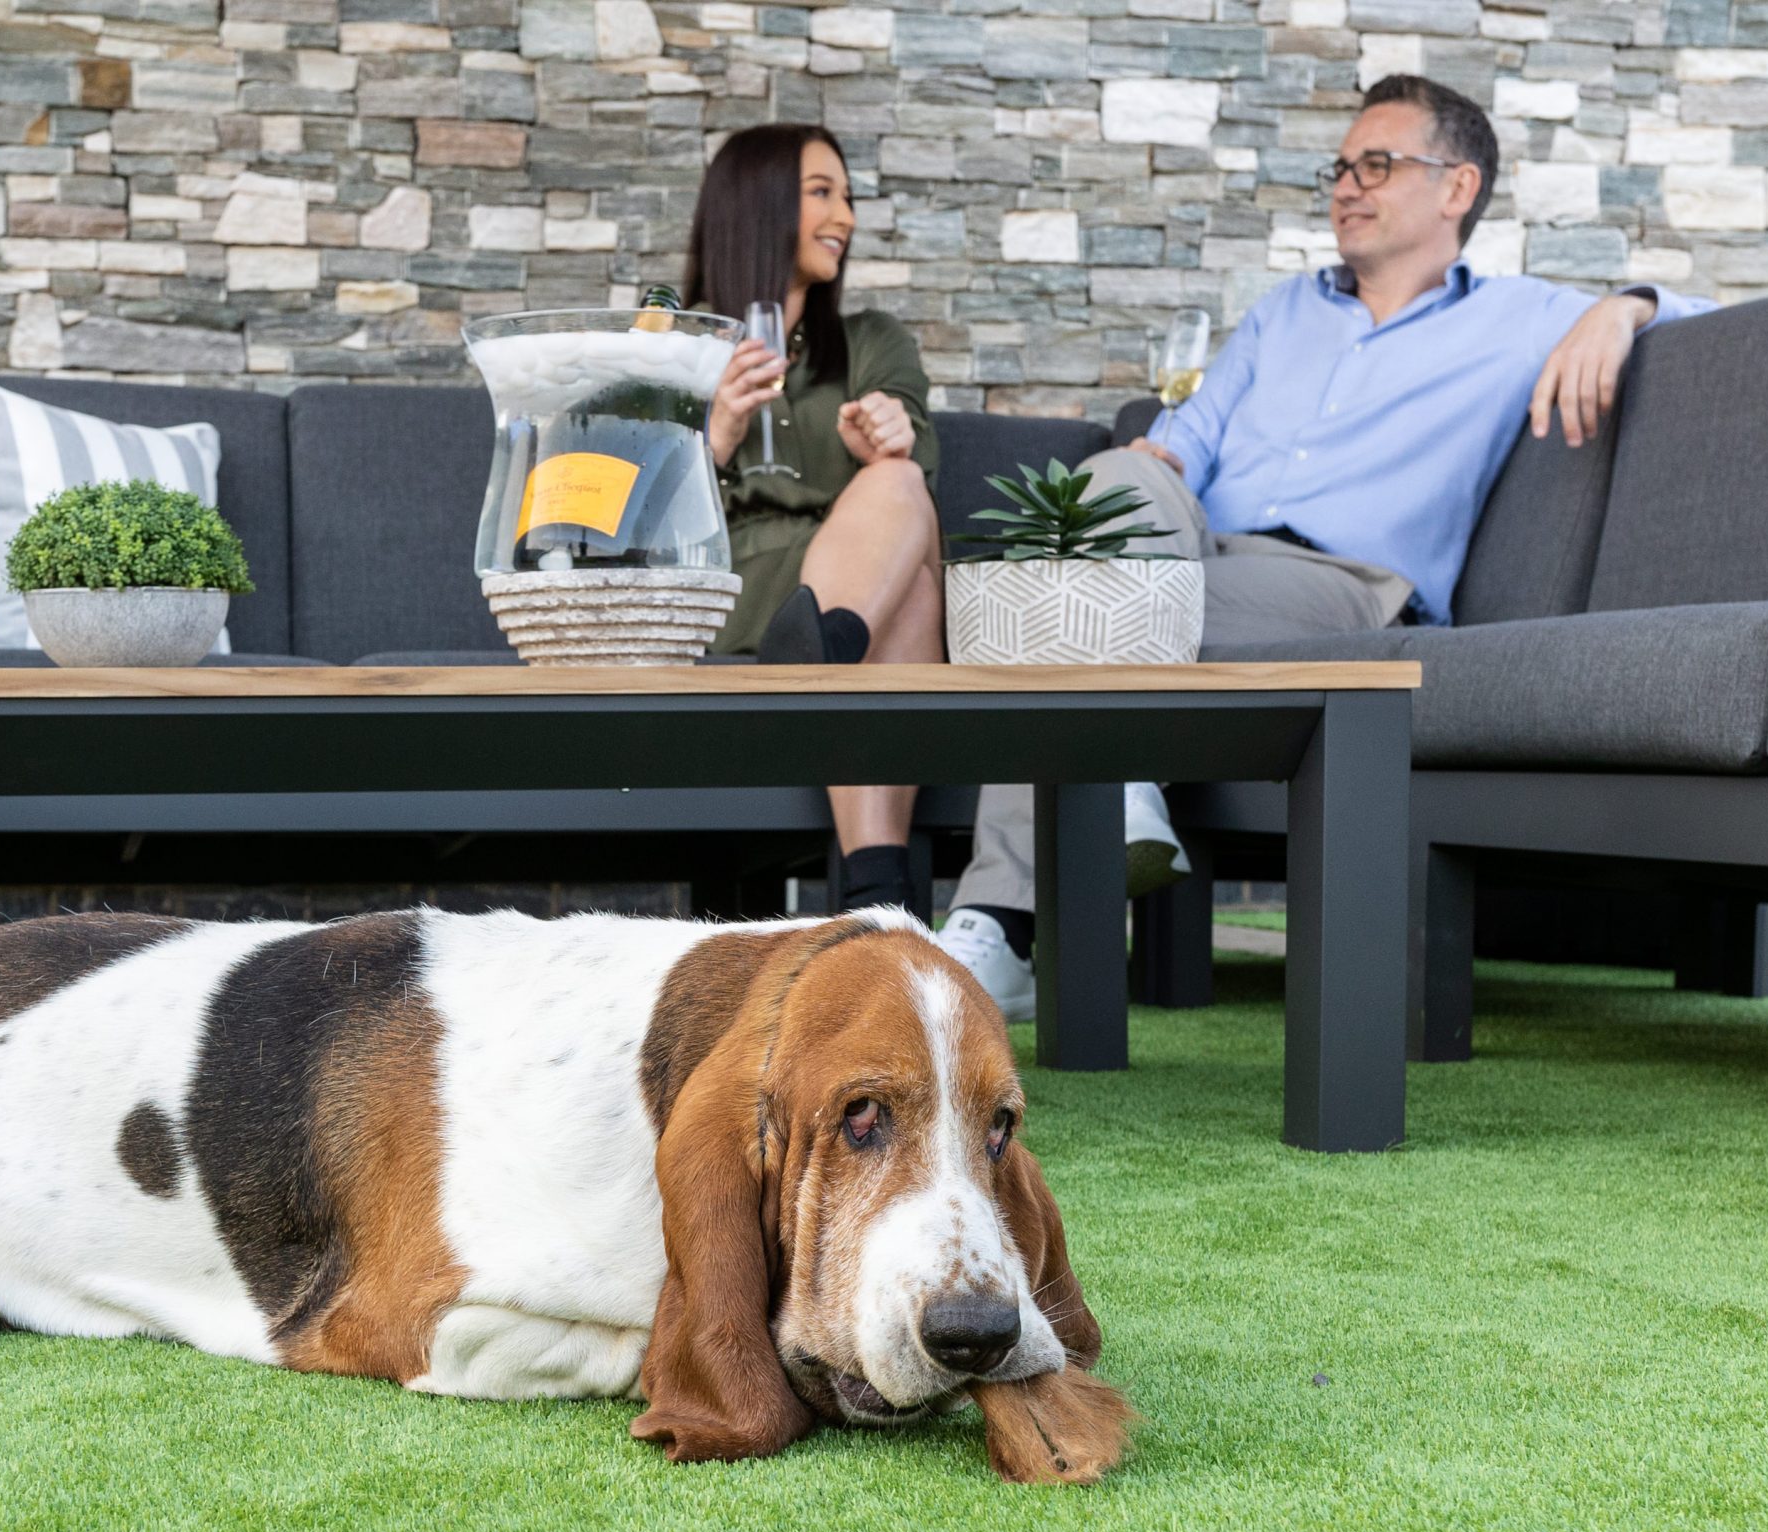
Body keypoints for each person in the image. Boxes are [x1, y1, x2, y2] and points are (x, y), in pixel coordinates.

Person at [935, 73, 1714, 1019]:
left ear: (1457, 189)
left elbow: (1711, 327)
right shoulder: (1281, 312)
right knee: (1114, 477)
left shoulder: (1516, 318)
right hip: (1198, 549)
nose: (1347, 186)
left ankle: (998, 922)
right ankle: (1112, 784)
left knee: (1064, 608)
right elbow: (1181, 446)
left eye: (1376, 165)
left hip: (1343, 584)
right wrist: (1144, 471)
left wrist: (1624, 304)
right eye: (1341, 168)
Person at [689, 123, 945, 916]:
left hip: (837, 588)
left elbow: (912, 439)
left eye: (849, 196)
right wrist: (715, 437)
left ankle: (818, 655)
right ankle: (879, 891)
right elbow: (631, 522)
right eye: (823, 192)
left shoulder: (871, 340)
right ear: (762, 204)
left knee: (899, 481)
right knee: (915, 587)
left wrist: (891, 432)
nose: (847, 216)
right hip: (727, 588)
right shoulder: (677, 344)